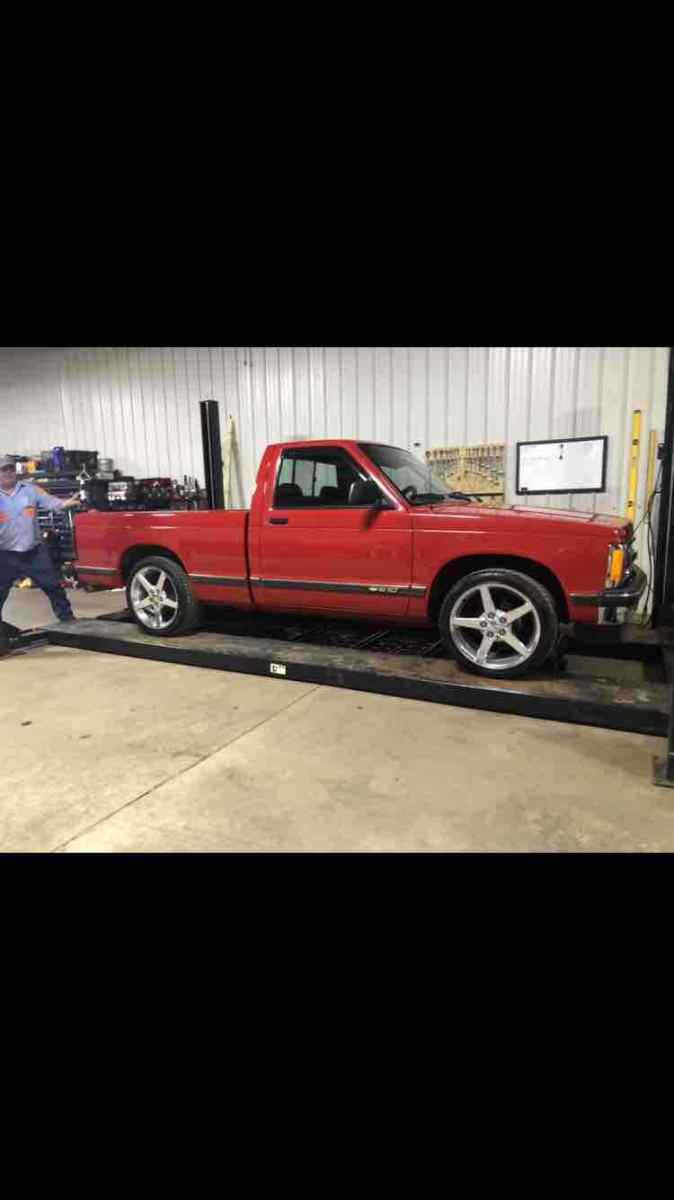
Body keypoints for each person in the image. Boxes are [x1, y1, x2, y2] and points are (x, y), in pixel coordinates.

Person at [0, 454, 81, 635]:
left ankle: (68, 620)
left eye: (10, 468)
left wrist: (66, 503)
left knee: (53, 586)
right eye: (3, 469)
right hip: (5, 554)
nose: (7, 473)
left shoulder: (31, 490)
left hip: (34, 552)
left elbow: (53, 503)